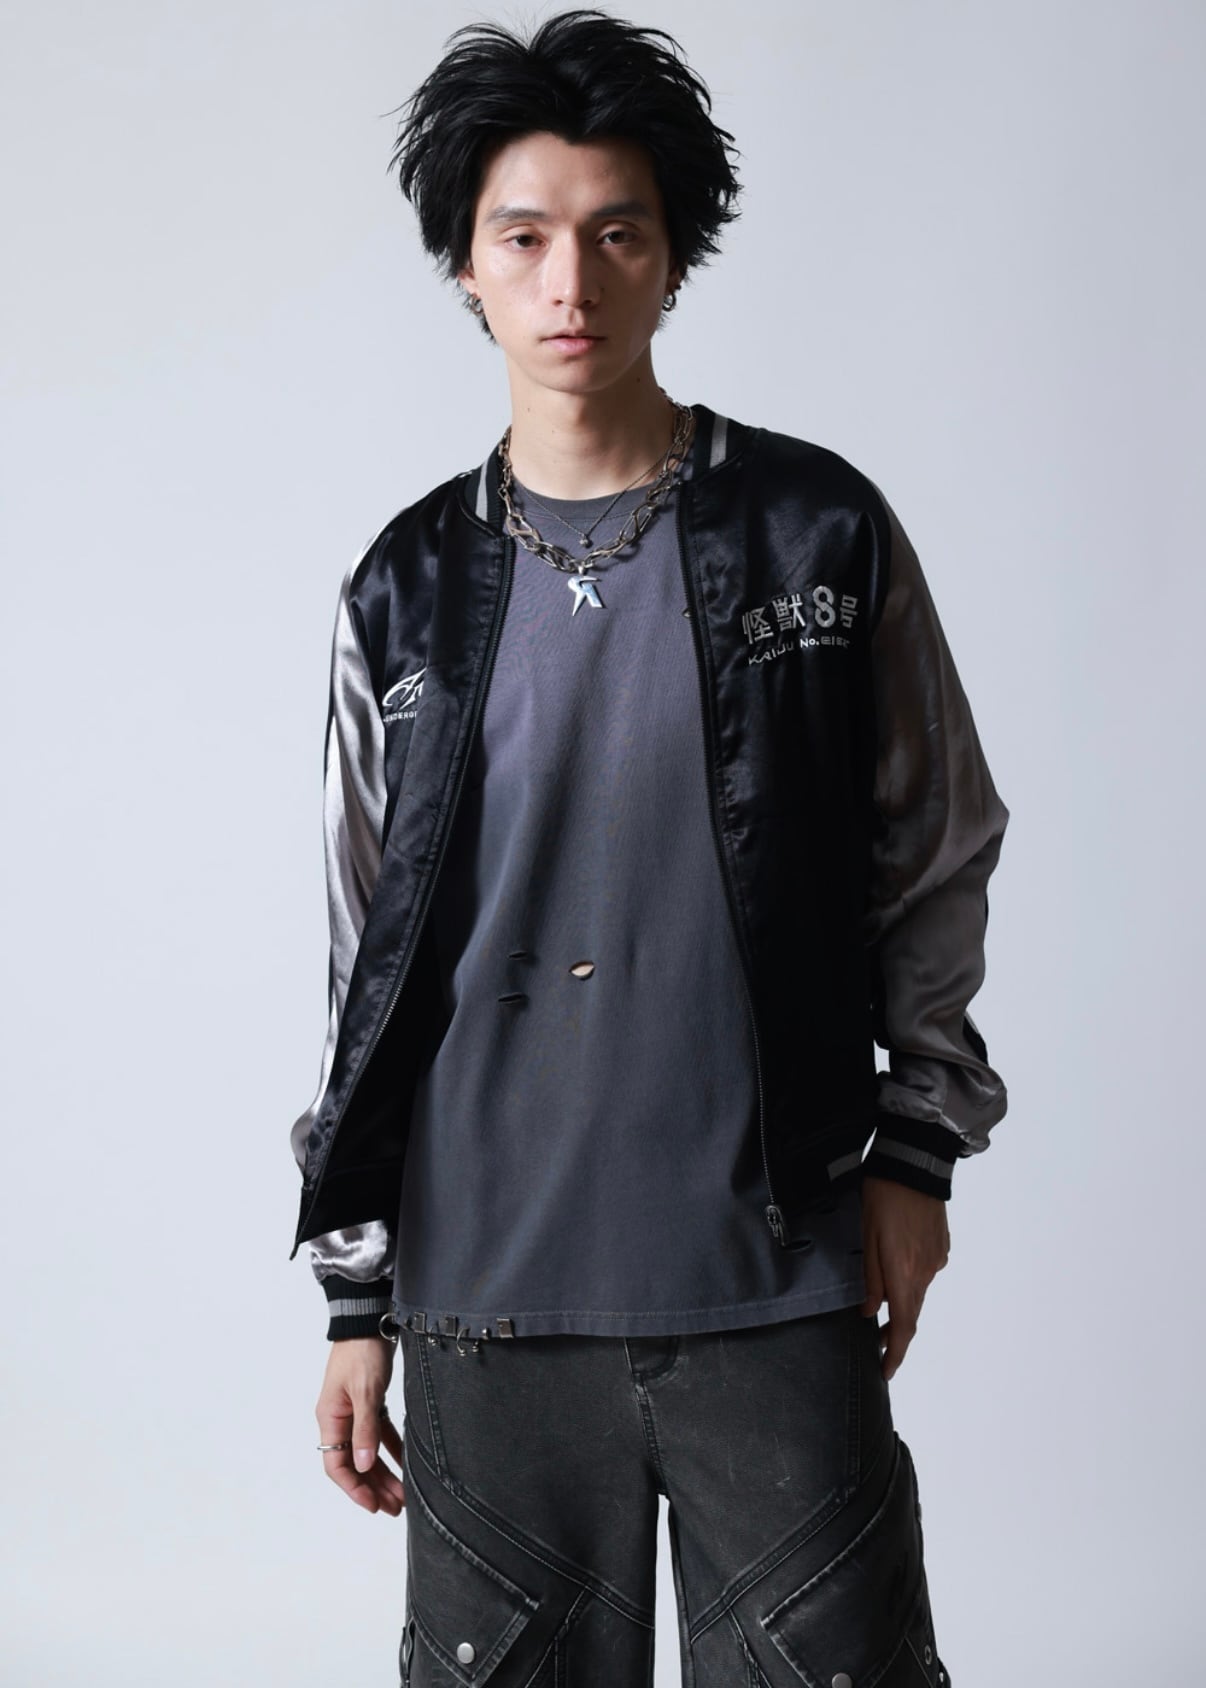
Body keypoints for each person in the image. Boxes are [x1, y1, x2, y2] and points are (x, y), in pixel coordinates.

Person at [288, 10, 1009, 1684]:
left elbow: (937, 845)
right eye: (521, 239)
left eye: (616, 234)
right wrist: (353, 1295)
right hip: (485, 1287)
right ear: (464, 267)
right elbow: (359, 957)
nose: (570, 283)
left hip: (772, 1262)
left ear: (673, 256)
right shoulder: (402, 588)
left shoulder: (816, 530)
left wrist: (914, 1153)